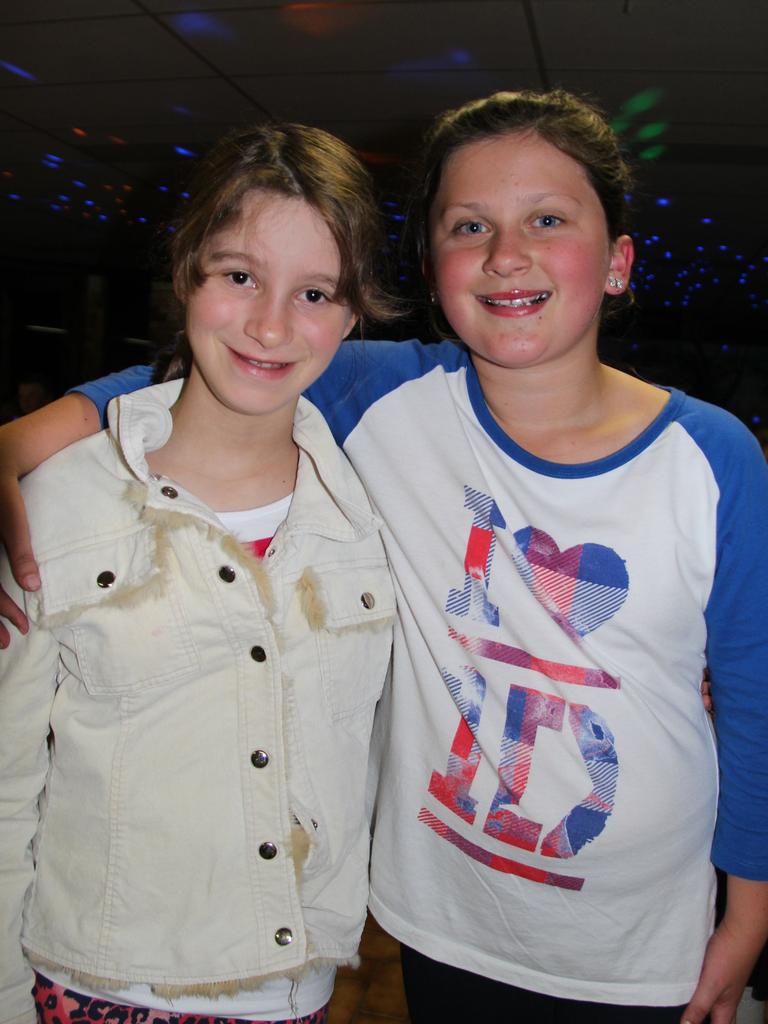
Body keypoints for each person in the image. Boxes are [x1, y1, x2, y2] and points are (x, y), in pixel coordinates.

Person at [1, 89, 767, 1024]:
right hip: (438, 923)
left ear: (617, 263)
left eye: (549, 219)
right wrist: (21, 441)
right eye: (469, 224)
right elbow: (212, 360)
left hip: (644, 945)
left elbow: (757, 696)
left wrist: (751, 911)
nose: (506, 253)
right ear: (433, 270)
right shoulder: (391, 397)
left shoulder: (712, 456)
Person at [0, 121, 397, 1024]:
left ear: (352, 313)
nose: (271, 325)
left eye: (316, 292)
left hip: (301, 991)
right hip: (96, 988)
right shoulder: (58, 506)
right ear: (186, 273)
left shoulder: (368, 515)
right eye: (240, 275)